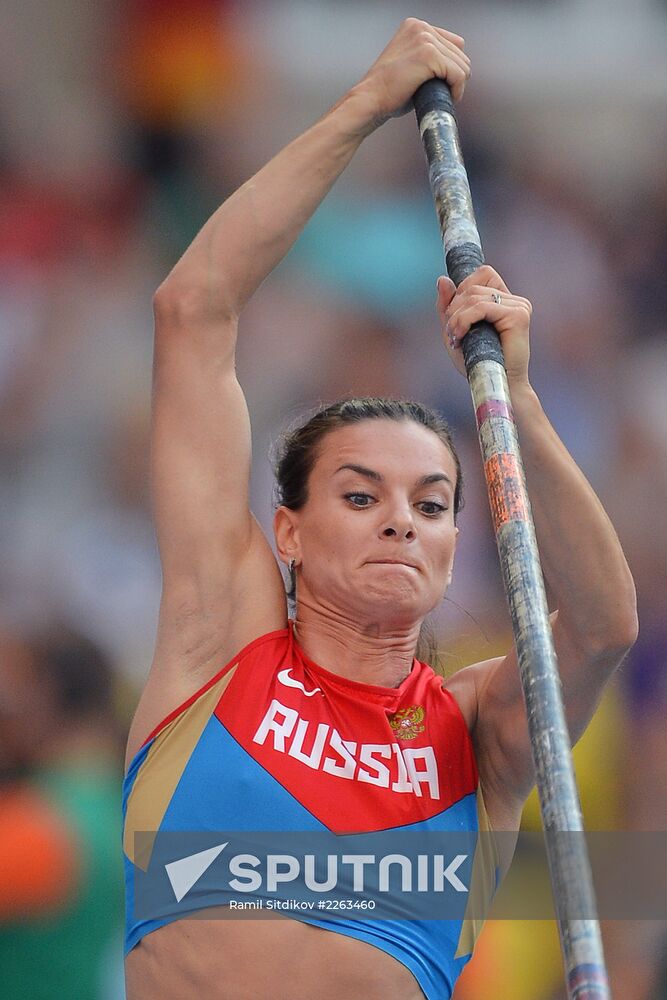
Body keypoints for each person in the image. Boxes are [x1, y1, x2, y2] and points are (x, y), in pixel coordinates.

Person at [122, 18, 637, 1000]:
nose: (401, 518)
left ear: (455, 546)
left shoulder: (475, 732)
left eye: (433, 501)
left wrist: (517, 403)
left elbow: (603, 625)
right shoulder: (219, 642)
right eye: (359, 494)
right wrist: (364, 107)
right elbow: (191, 313)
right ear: (288, 532)